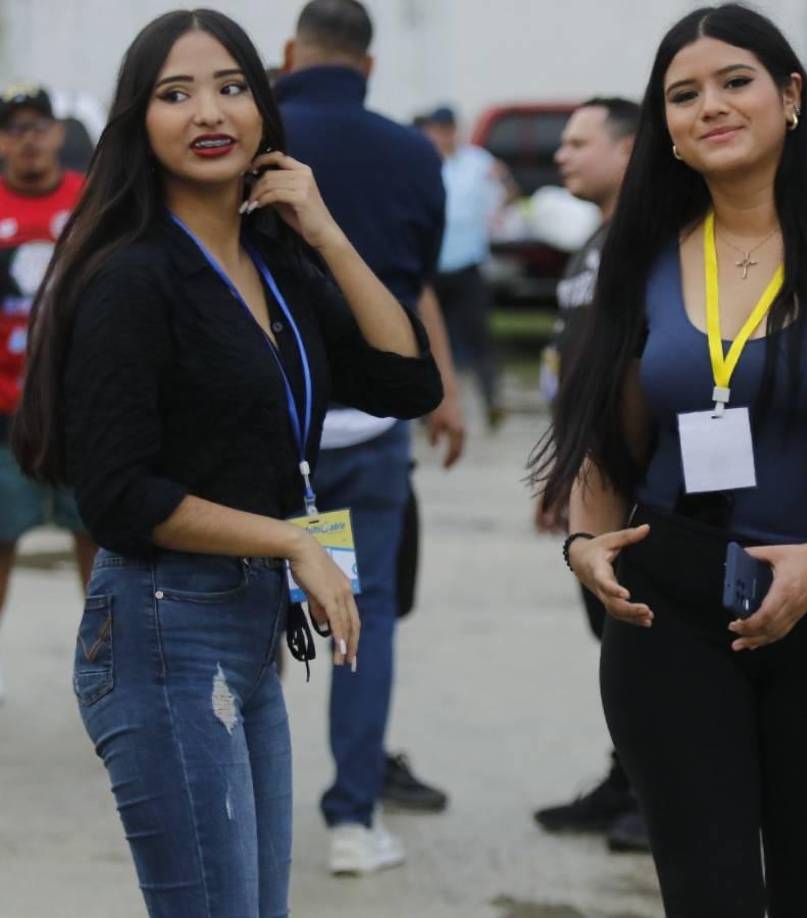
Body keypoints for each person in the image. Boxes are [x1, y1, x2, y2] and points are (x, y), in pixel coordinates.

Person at [531, 5, 807, 915]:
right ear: (669, 133)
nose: (709, 107)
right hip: (672, 612)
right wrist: (583, 546)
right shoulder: (639, 258)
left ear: (791, 97)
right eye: (682, 96)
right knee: (708, 895)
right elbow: (610, 445)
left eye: (735, 82)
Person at [11, 10, 441, 915]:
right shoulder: (132, 276)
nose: (209, 111)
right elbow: (118, 497)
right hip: (165, 626)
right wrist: (292, 542)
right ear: (140, 120)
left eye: (231, 86)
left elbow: (406, 382)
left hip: (243, 630)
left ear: (264, 103)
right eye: (176, 93)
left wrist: (324, 229)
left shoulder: (274, 256)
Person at [277, 0, 463, 876]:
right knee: (363, 617)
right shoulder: (411, 154)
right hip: (372, 425)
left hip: (274, 428)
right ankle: (353, 819)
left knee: (251, 616)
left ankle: (250, 808)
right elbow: (411, 285)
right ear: (371, 65)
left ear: (288, 53)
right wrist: (446, 392)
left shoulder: (259, 132)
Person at [531, 97, 650, 854]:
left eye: (579, 142)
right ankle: (627, 776)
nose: (561, 156)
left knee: (645, 644)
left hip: (637, 487)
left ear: (629, 149)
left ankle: (658, 794)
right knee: (611, 644)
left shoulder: (647, 245)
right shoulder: (592, 243)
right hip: (588, 479)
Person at [0, 83, 95, 703]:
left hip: (80, 414)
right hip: (2, 420)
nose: (28, 139)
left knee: (103, 552)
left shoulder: (92, 203)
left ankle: (109, 674)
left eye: (39, 127)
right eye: (14, 128)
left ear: (59, 134)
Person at [420, 105, 507, 428]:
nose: (440, 136)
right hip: (431, 269)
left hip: (467, 264)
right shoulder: (423, 162)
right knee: (425, 339)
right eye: (434, 130)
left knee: (479, 338)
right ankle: (426, 408)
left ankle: (492, 402)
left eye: (444, 130)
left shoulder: (478, 162)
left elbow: (502, 195)